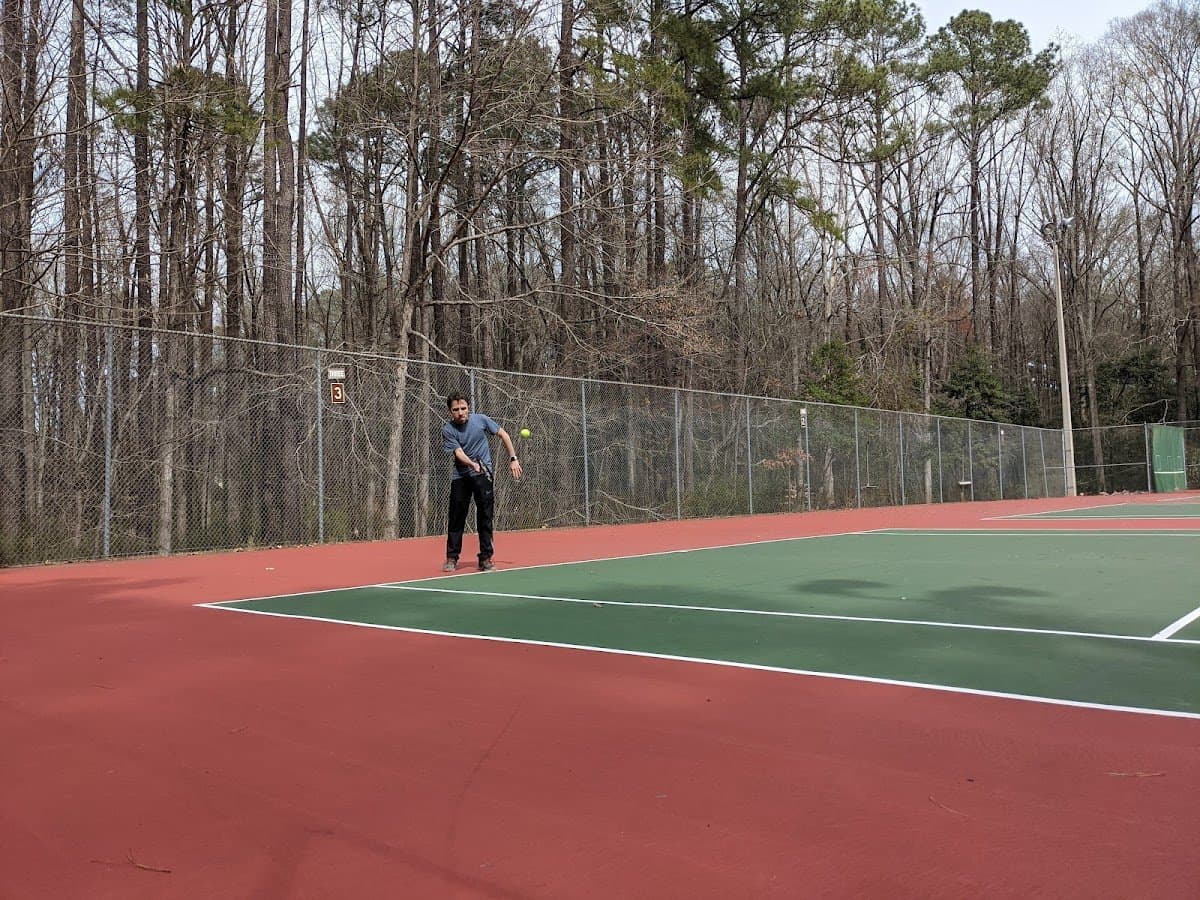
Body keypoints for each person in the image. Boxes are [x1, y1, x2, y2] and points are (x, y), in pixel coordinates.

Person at [441, 393, 522, 571]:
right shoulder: (448, 430)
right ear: (450, 412)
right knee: (456, 517)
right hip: (461, 477)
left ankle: (485, 558)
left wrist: (513, 458)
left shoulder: (481, 420)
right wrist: (471, 464)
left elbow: (503, 434)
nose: (461, 413)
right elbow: (459, 453)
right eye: (456, 410)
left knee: (485, 516)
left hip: (483, 476)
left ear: (468, 407)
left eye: (463, 408)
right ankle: (452, 558)